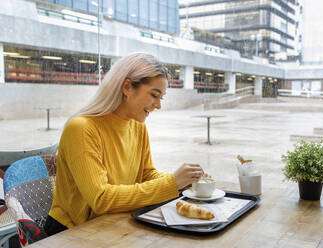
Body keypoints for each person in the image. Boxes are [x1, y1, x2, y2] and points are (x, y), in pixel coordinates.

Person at [44, 53, 205, 236]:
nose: (158, 105)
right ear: (127, 87)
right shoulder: (81, 129)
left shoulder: (137, 125)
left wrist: (181, 182)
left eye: (162, 97)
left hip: (112, 222)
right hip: (72, 231)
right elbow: (101, 199)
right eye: (154, 95)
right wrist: (171, 183)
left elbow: (145, 174)